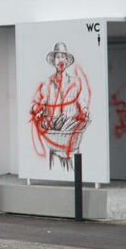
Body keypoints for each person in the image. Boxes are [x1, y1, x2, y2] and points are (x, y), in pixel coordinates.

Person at [29, 42, 91, 170]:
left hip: (71, 141)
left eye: (63, 56)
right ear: (54, 61)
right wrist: (38, 111)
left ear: (67, 61)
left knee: (74, 173)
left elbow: (82, 102)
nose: (60, 59)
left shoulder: (75, 82)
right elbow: (37, 104)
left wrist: (84, 111)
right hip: (54, 140)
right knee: (56, 170)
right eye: (58, 56)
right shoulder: (47, 84)